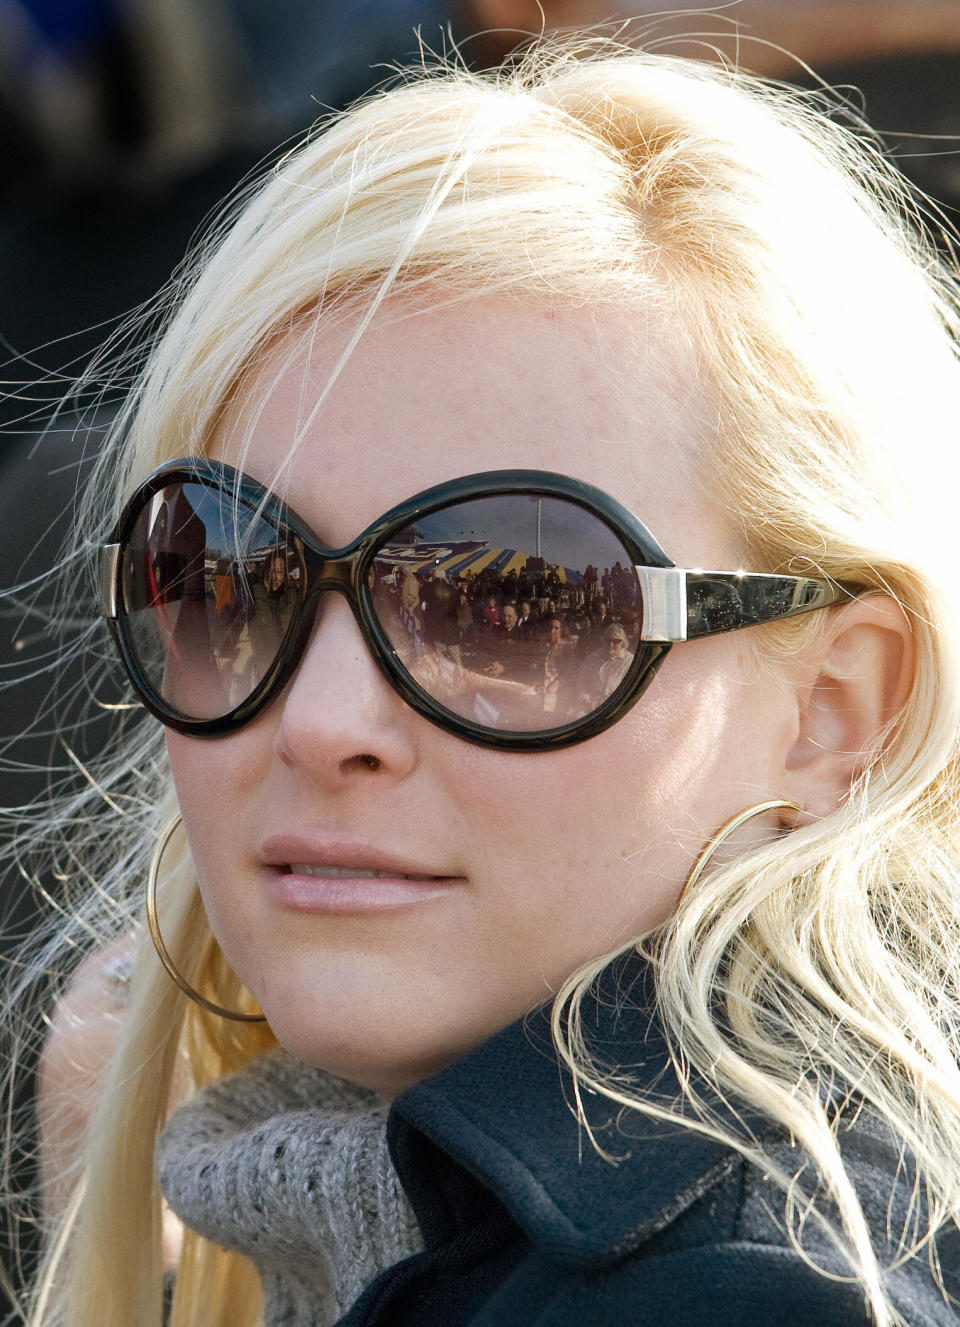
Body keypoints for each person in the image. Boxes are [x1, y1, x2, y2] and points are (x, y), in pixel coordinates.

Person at [10, 35, 960, 1327]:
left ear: (841, 709)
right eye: (229, 570)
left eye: (515, 604)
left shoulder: (757, 1293)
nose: (322, 722)